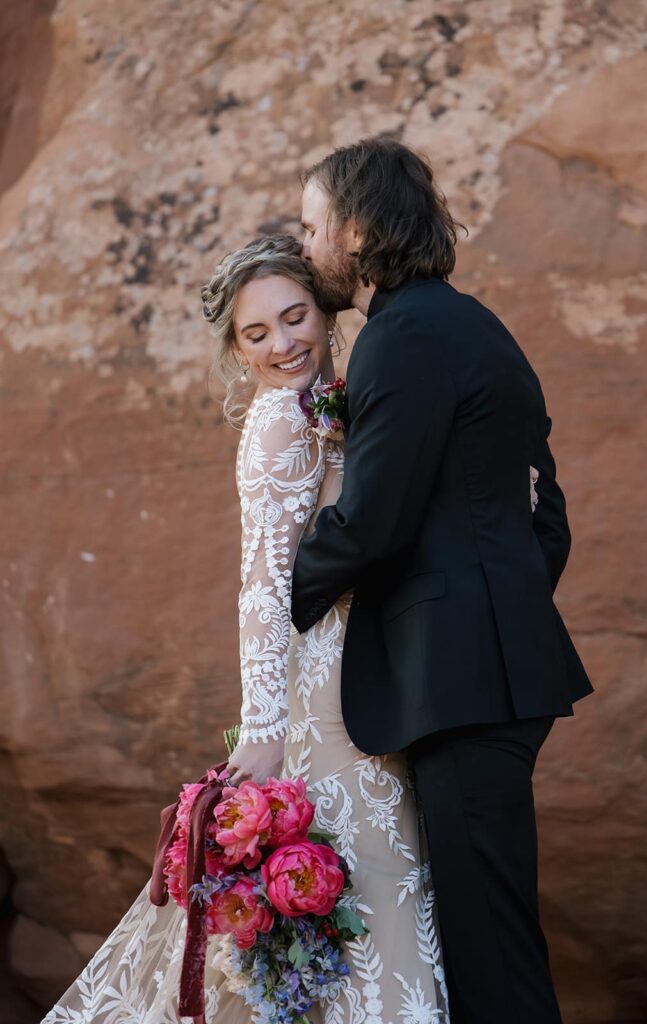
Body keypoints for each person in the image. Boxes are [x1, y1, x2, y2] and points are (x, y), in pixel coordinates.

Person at [42, 234, 448, 1024]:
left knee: (378, 891)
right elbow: (260, 590)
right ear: (234, 349)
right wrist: (262, 729)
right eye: (255, 334)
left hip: (372, 677)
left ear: (325, 314)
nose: (282, 344)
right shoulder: (276, 427)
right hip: (324, 702)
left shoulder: (330, 401)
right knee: (368, 893)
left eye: (293, 318)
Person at [291, 137, 594, 1024]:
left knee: (488, 949)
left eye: (312, 227)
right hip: (484, 671)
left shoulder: (404, 337)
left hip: (460, 682)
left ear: (354, 229)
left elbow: (374, 520)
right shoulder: (473, 325)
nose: (307, 248)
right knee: (486, 928)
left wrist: (283, 593)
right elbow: (546, 517)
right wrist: (494, 593)